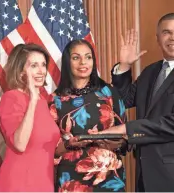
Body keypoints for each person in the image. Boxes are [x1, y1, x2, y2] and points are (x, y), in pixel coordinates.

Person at [98, 13, 174, 191]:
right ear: (158, 38)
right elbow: (124, 100)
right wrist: (124, 66)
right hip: (147, 175)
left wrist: (127, 129)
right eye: (167, 32)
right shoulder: (151, 71)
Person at [49, 39, 128, 192]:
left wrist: (117, 143)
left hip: (108, 177)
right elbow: (52, 149)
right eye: (76, 57)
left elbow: (126, 135)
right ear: (67, 62)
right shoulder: (54, 100)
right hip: (71, 177)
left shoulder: (109, 92)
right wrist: (69, 144)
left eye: (88, 57)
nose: (83, 62)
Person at [0, 43, 60, 192]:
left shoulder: (44, 102)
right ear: (20, 72)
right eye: (33, 65)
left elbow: (47, 147)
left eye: (43, 65)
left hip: (44, 183)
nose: (41, 71)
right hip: (19, 183)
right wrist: (32, 99)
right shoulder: (11, 98)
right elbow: (20, 143)